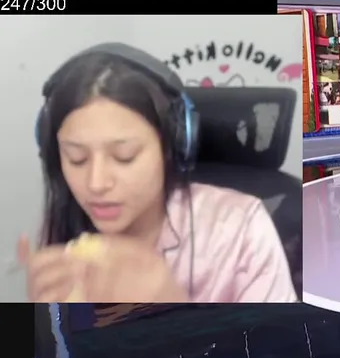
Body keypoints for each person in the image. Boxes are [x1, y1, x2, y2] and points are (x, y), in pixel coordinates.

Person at [23, 43, 296, 303]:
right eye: (77, 159)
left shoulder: (241, 229)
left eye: (125, 156)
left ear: (172, 147)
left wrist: (170, 305)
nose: (96, 184)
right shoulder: (66, 224)